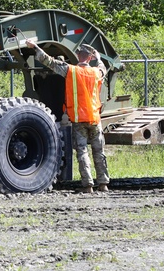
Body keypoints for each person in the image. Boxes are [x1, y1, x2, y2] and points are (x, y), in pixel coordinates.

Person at [26, 38, 109, 194]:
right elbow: (103, 68)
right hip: (95, 118)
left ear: (78, 56)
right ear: (90, 58)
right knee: (99, 151)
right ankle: (103, 183)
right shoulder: (96, 72)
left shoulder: (71, 71)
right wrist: (98, 57)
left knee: (82, 151)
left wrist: (34, 46)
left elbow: (49, 61)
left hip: (78, 119)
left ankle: (88, 185)